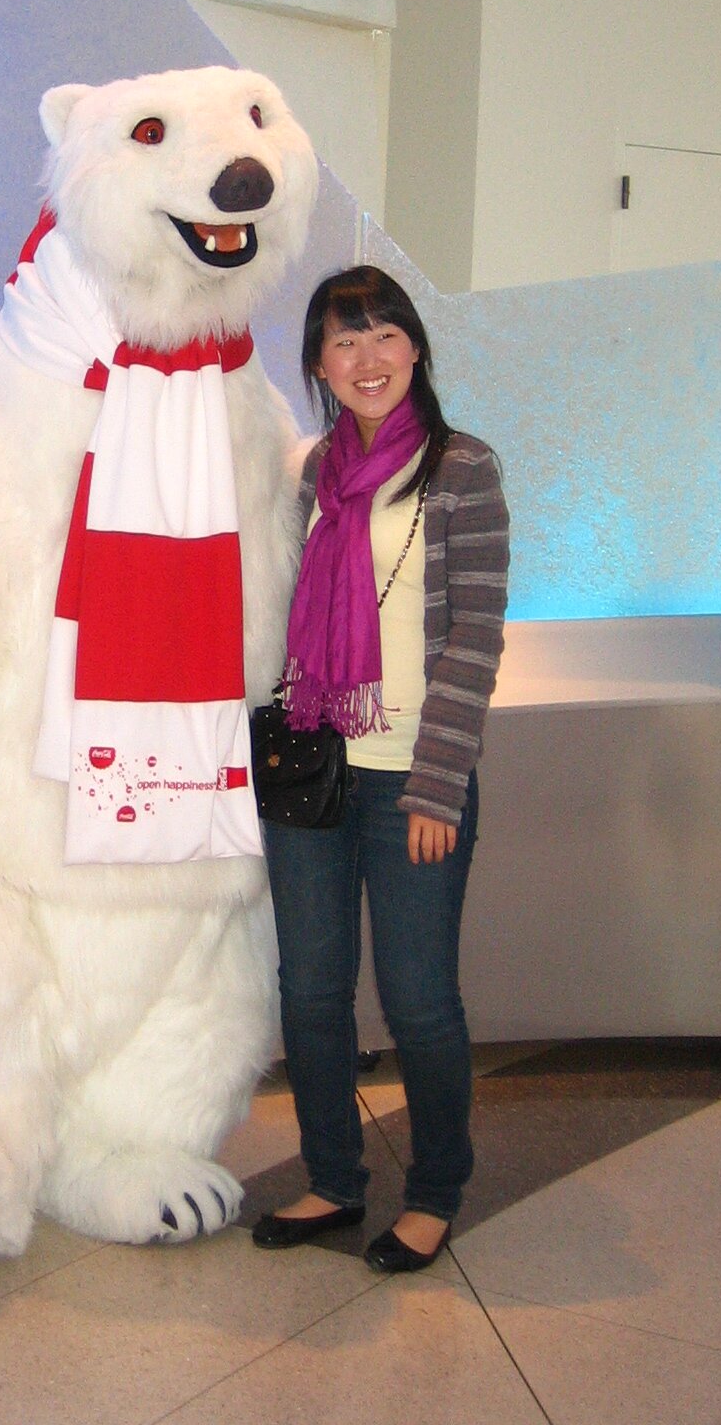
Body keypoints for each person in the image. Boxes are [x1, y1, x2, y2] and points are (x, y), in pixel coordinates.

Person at [251, 265, 508, 1272]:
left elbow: (475, 635)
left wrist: (440, 781)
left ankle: (435, 1190)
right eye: (343, 339)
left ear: (416, 348)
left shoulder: (463, 468)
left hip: (412, 779)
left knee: (418, 999)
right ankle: (333, 1177)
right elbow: (278, 613)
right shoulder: (312, 475)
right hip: (314, 769)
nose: (367, 358)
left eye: (384, 333)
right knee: (312, 991)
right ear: (318, 363)